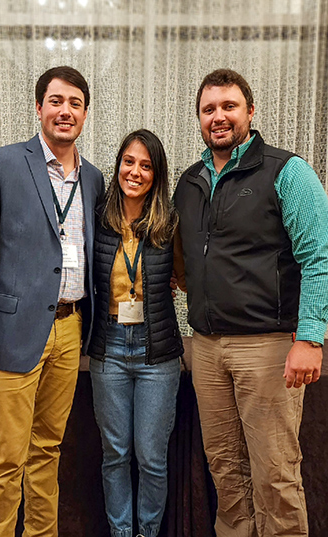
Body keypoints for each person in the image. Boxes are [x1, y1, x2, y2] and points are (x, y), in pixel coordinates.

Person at [174, 68, 328, 537]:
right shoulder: (189, 181)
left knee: (275, 474)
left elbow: (318, 257)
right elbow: (186, 258)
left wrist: (310, 337)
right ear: (199, 119)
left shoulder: (287, 171)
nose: (218, 117)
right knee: (225, 471)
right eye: (208, 110)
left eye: (228, 107)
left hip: (268, 348)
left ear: (250, 112)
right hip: (205, 347)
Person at [0, 65, 104, 537]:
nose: (65, 111)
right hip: (12, 334)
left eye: (75, 103)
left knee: (47, 450)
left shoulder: (94, 178)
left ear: (85, 114)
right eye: (56, 101)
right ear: (39, 108)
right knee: (7, 457)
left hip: (70, 328)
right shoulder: (0, 164)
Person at [88, 129, 183, 537]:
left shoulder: (170, 222)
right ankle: (121, 532)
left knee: (150, 458)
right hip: (108, 351)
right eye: (129, 161)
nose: (136, 171)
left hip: (156, 354)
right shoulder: (97, 218)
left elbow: (187, 275)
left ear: (156, 174)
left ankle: (147, 533)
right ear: (118, 165)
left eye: (146, 165)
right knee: (115, 455)